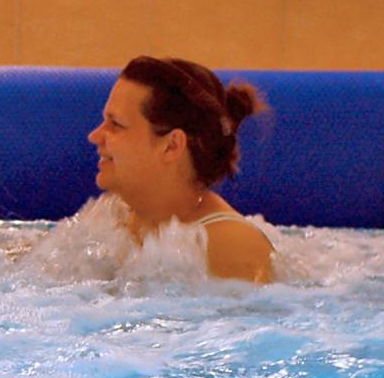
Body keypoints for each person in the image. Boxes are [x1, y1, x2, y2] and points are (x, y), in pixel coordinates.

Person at [88, 55, 274, 284]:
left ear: (172, 145)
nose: (95, 135)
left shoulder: (231, 249)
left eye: (116, 124)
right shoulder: (114, 218)